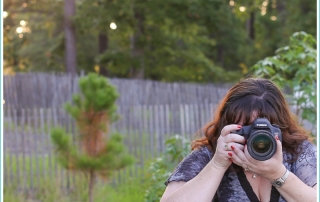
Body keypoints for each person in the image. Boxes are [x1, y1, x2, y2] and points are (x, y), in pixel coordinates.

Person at [160, 78, 317, 202]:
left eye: (265, 130)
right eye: (246, 130)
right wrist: (217, 165)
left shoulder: (299, 152)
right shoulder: (212, 155)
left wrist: (278, 174)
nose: (257, 137)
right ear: (227, 126)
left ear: (280, 128)